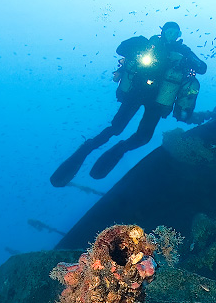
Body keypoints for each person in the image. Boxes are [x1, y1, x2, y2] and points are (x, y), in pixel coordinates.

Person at [50, 22, 207, 187]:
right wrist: (139, 46)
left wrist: (185, 59)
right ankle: (86, 148)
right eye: (169, 31)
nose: (172, 35)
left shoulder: (184, 52)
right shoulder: (148, 44)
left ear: (179, 35)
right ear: (162, 32)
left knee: (144, 138)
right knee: (116, 128)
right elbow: (121, 49)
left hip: (158, 101)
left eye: (175, 33)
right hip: (137, 93)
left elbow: (202, 68)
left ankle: (120, 149)